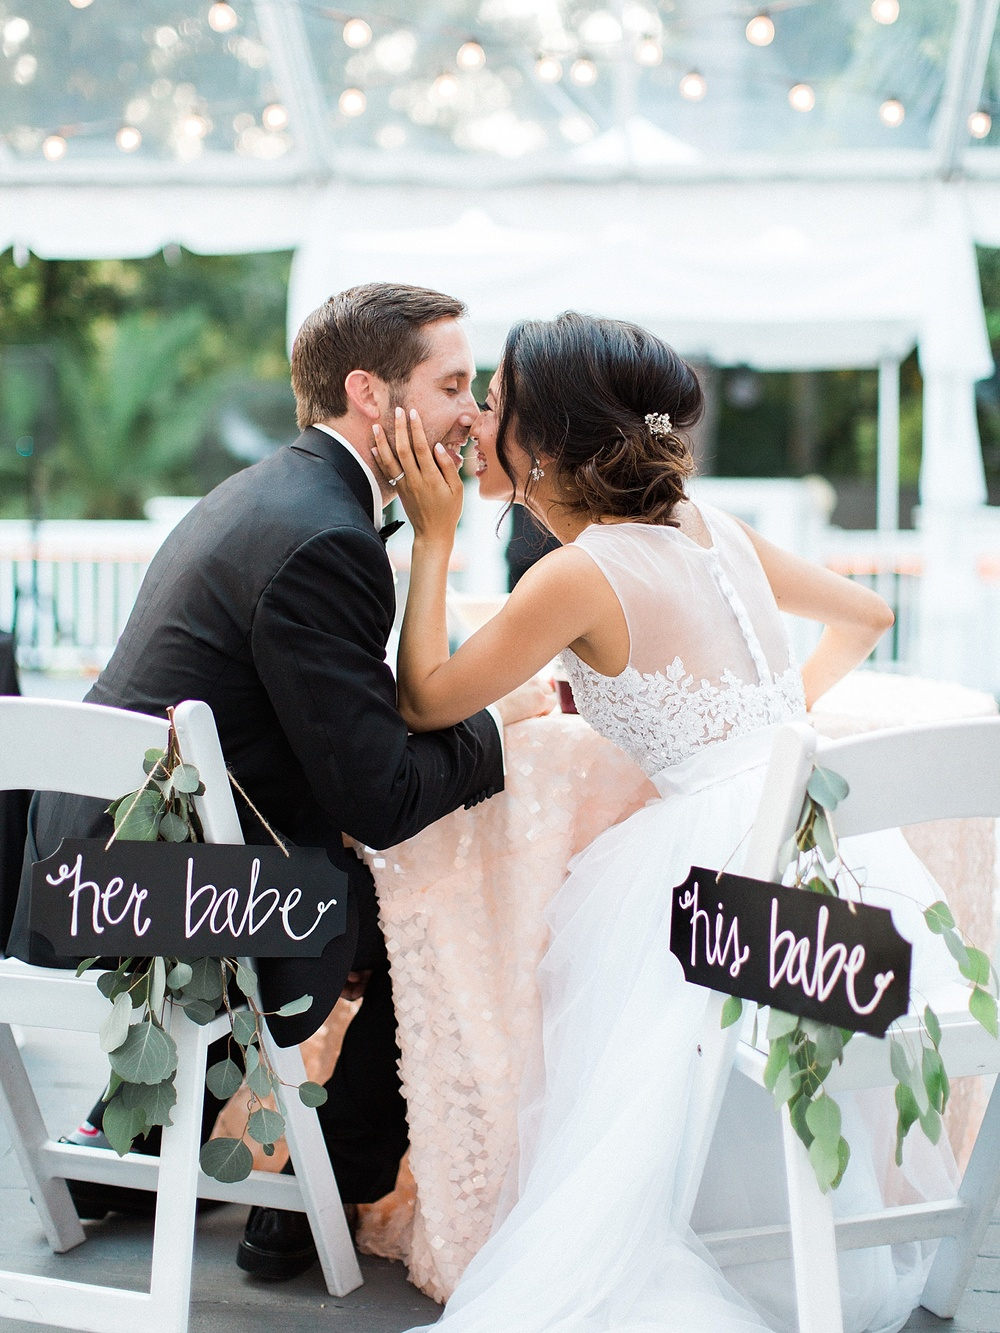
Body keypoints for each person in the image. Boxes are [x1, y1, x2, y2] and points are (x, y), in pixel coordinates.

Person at [372, 311, 957, 1333]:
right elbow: (865, 615)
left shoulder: (576, 572)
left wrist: (433, 538)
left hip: (713, 862)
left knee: (626, 1083)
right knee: (735, 1075)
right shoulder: (706, 523)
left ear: (545, 440)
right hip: (817, 840)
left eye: (495, 405)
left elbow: (424, 699)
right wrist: (763, 735)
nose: (477, 424)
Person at [7, 282, 551, 1281]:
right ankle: (326, 1188)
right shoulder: (330, 536)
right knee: (426, 906)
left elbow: (318, 737)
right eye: (452, 386)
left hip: (75, 863)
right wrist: (501, 726)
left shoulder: (271, 491)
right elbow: (382, 797)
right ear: (369, 394)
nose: (472, 415)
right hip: (152, 899)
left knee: (355, 872)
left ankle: (134, 1143)